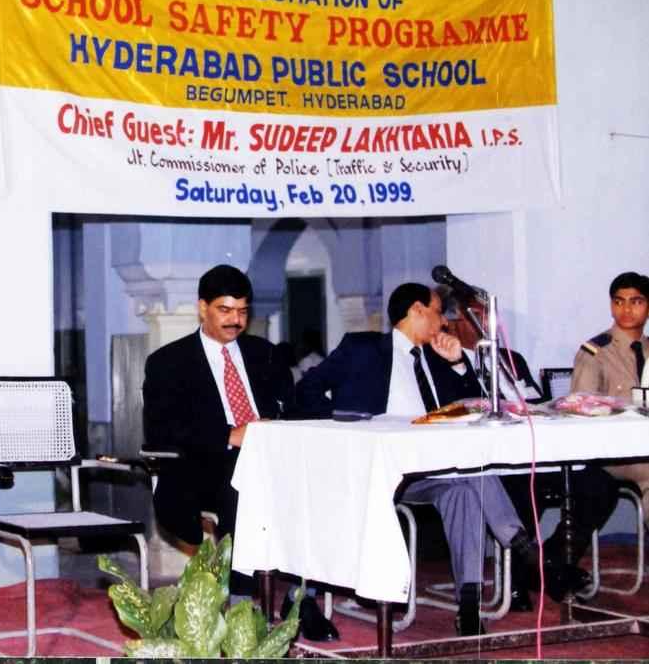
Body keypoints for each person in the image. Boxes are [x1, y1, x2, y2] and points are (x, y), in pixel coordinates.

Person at [295, 283, 527, 636]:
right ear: (417, 310)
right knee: (469, 478)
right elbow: (306, 390)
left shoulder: (436, 356)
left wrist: (458, 363)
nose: (444, 322)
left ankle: (468, 604)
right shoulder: (363, 348)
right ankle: (522, 544)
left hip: (430, 470)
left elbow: (472, 408)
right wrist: (343, 425)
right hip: (381, 470)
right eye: (438, 312)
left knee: (464, 488)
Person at [142, 264, 338, 641]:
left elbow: (290, 408)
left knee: (320, 484)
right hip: (203, 466)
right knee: (244, 487)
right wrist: (231, 436)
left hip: (270, 458)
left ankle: (302, 596)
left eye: (243, 311)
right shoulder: (169, 362)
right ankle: (243, 604)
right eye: (225, 310)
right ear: (202, 308)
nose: (236, 320)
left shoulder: (265, 354)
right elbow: (164, 431)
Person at [442, 293, 618, 606]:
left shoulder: (513, 358)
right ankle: (519, 578)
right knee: (517, 488)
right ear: (454, 323)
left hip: (535, 453)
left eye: (488, 315)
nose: (486, 324)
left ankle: (547, 564)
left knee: (600, 486)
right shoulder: (446, 363)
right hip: (492, 462)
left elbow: (537, 403)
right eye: (476, 316)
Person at [570, 271, 649, 530]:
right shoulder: (596, 352)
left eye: (636, 301)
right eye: (618, 301)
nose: (626, 309)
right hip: (614, 452)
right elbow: (580, 410)